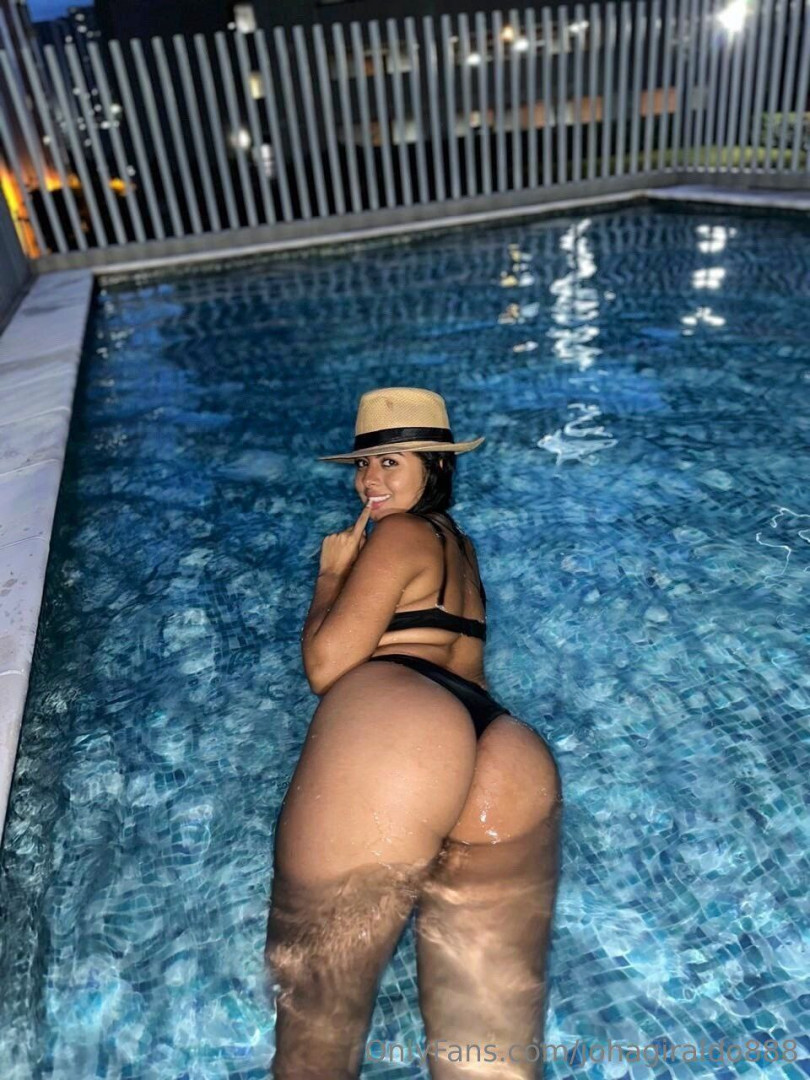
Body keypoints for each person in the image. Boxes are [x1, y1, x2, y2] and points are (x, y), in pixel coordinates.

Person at [265, 387, 564, 1080]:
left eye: (390, 462)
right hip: (504, 747)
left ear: (436, 465)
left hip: (402, 725)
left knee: (318, 1013)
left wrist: (331, 577)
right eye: (362, 465)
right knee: (486, 1058)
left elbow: (326, 666)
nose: (369, 480)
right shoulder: (463, 548)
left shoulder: (399, 534)